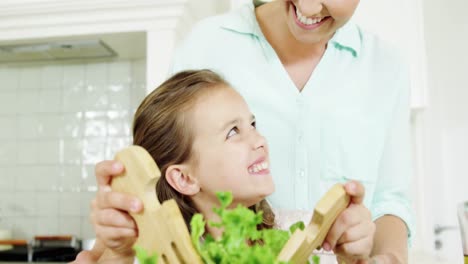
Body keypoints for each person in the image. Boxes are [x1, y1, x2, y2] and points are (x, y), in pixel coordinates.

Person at [77, 0, 414, 263]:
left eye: (252, 124)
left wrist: (372, 254)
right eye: (233, 131)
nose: (309, 7)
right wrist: (115, 236)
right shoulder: (206, 42)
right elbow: (159, 169)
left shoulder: (386, 66)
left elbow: (391, 201)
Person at [76, 69, 374, 263]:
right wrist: (117, 252)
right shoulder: (150, 256)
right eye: (233, 132)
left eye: (253, 124)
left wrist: (354, 257)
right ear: (184, 178)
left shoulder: (307, 233)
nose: (259, 140)